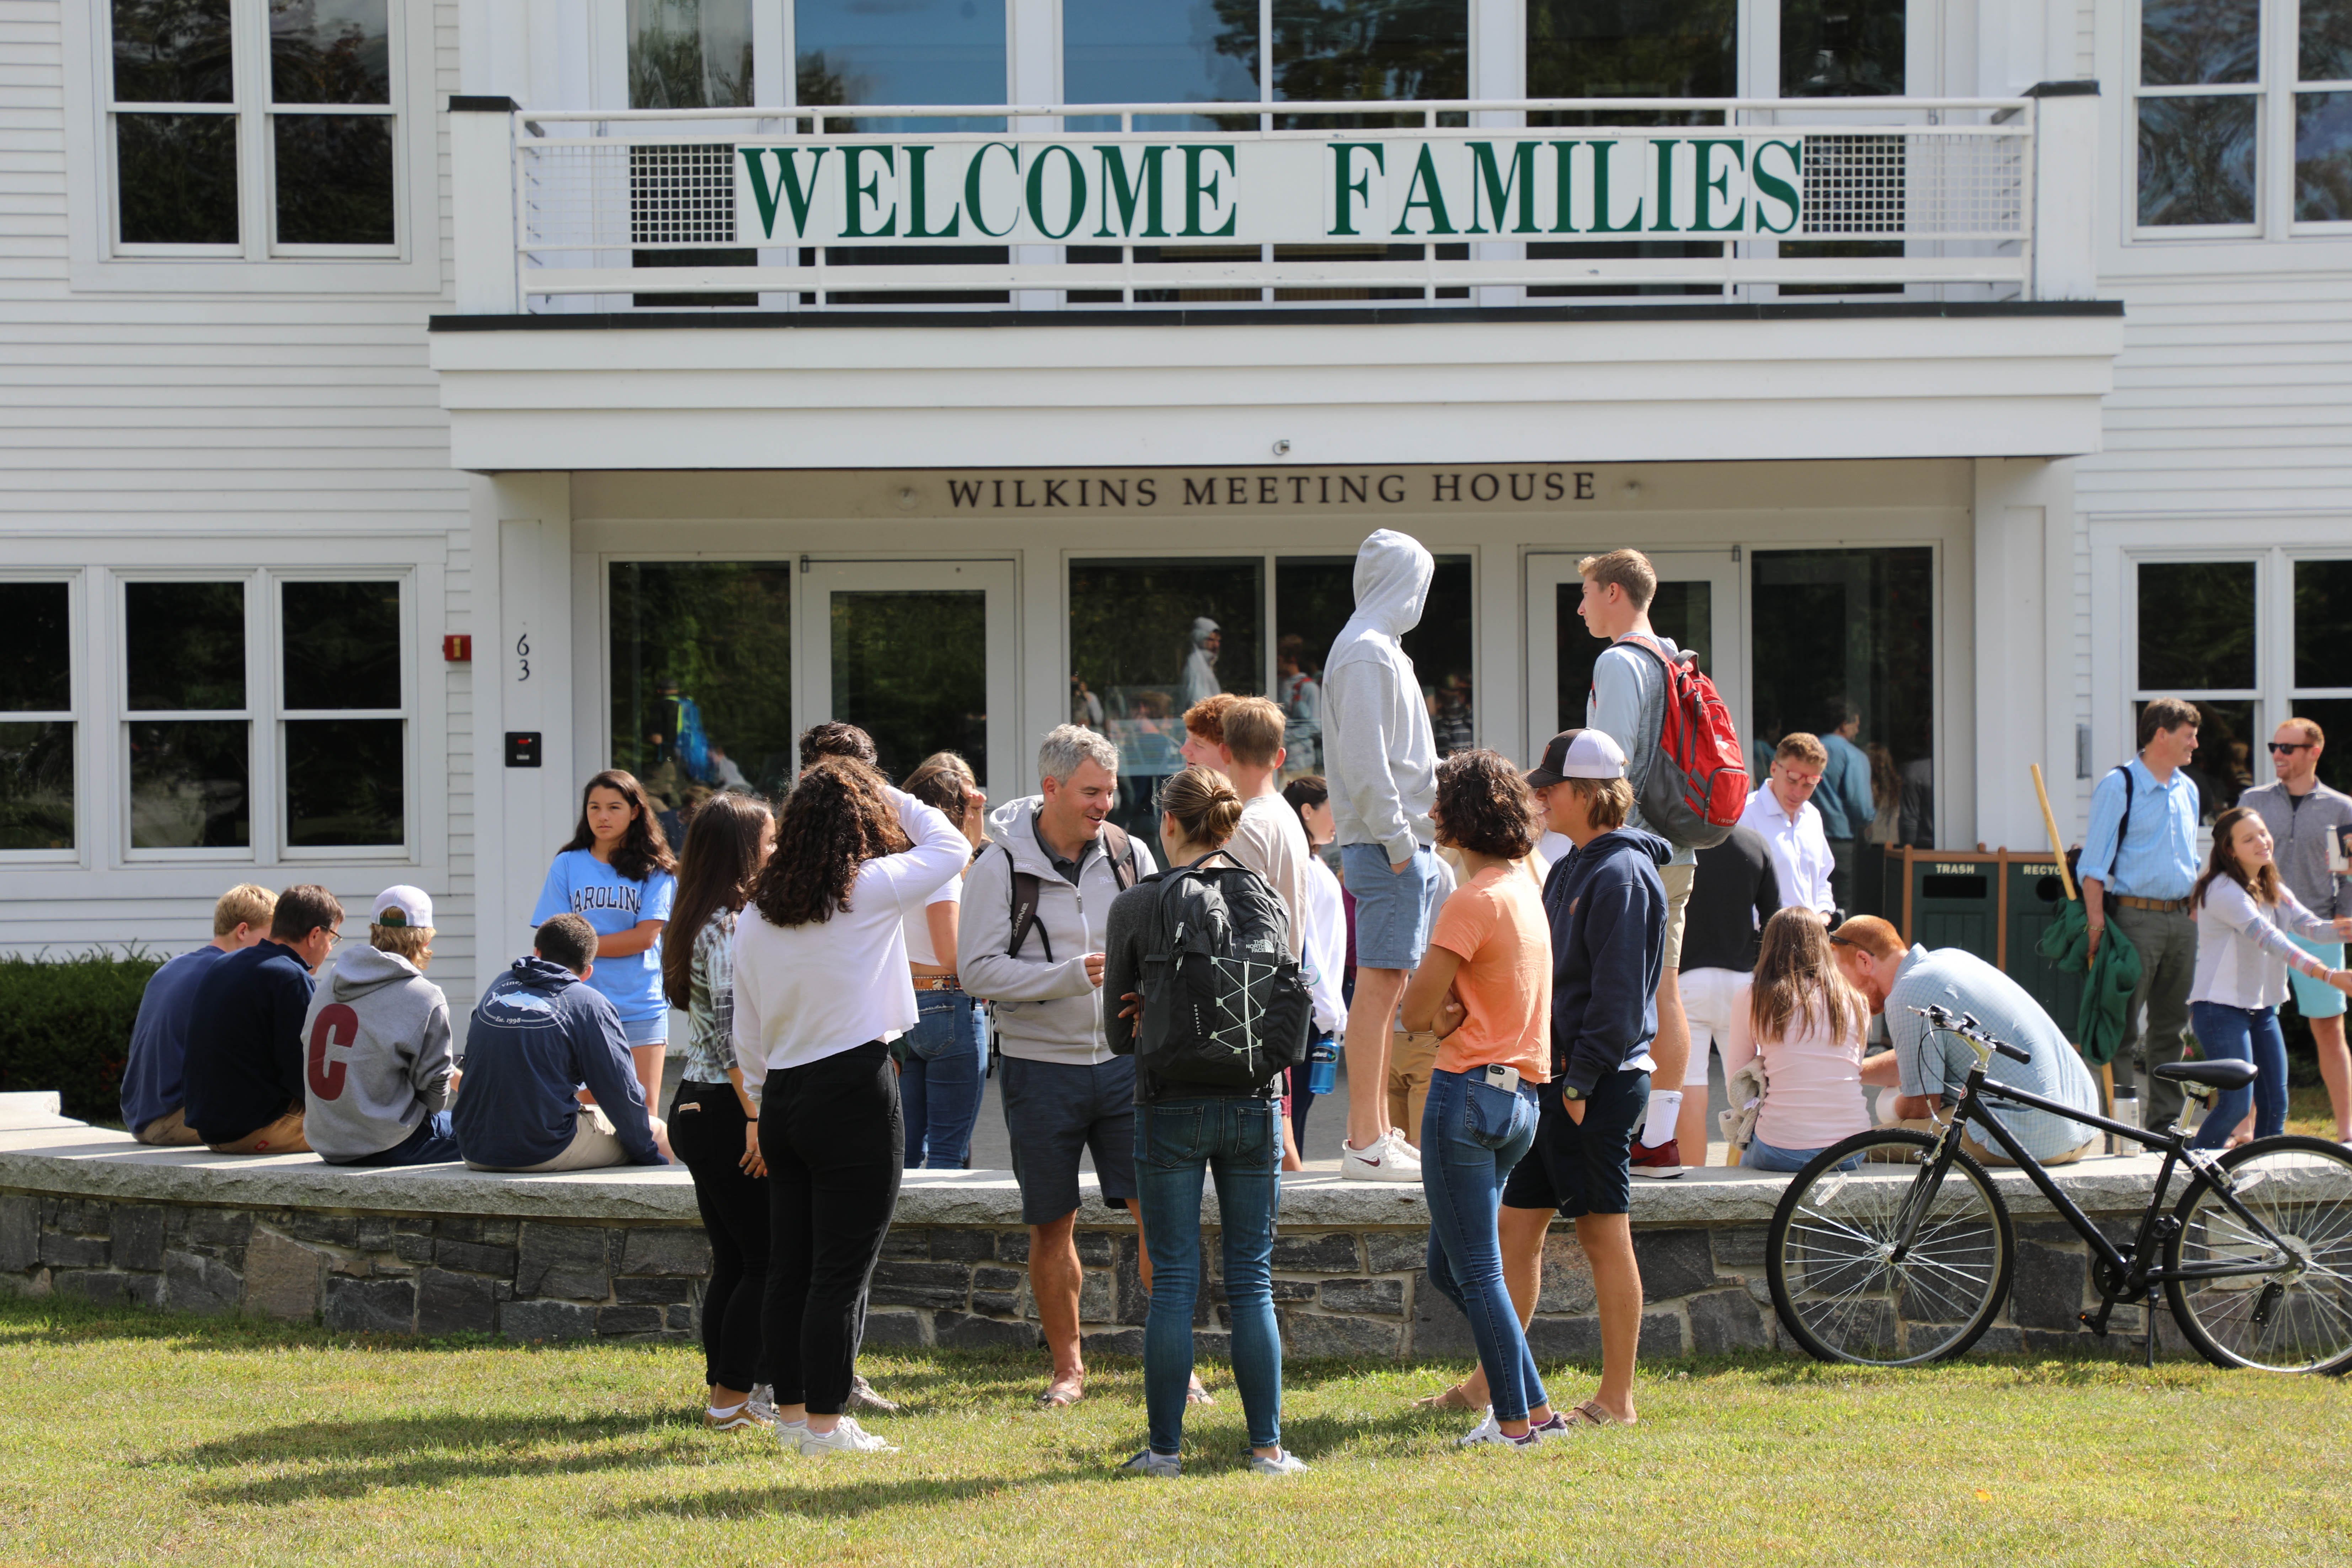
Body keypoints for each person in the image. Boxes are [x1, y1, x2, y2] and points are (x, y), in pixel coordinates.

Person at [732, 756, 967, 1456]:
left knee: (791, 1267)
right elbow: (951, 847)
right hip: (851, 1089)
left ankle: (798, 1417)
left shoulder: (755, 910)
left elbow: (746, 1028)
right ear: (861, 822)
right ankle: (827, 1427)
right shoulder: (866, 888)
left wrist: (755, 1097)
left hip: (782, 1097)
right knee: (838, 1271)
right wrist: (879, 787)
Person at [1103, 766, 1305, 1478]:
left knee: (1175, 1279)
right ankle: (1267, 1451)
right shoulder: (1267, 897)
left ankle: (1163, 1452)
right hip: (1254, 1099)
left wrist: (1144, 1007)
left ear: (1168, 824)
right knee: (1251, 1278)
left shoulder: (1138, 903)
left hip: (1167, 1104)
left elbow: (1116, 1038)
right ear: (1230, 825)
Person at [960, 725, 1166, 1409]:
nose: (1105, 803)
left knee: (1155, 1218)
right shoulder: (998, 865)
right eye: (1091, 792)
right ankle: (1068, 1371)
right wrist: (1069, 976)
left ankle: (1173, 1362)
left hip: (1123, 1066)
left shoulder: (1131, 853)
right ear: (1051, 789)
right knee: (1052, 1223)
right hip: (1038, 1067)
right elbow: (976, 971)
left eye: (1109, 790)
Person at [1485, 727, 1665, 1432]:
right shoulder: (1570, 866)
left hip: (1595, 1085)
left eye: (1549, 786)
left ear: (1588, 794)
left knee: (1602, 1235)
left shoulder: (1620, 873)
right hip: (1557, 1082)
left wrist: (1579, 1083)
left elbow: (1618, 999)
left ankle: (1617, 1400)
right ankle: (1487, 1383)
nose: (1538, 795)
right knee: (1514, 1232)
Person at [1400, 749, 1565, 1447]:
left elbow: (1413, 1011)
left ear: (1458, 818)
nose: (1432, 813)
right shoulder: (1525, 889)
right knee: (1454, 1267)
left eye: (1440, 802)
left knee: (1476, 1269)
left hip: (1466, 1097)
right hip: (1518, 1103)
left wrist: (1438, 1020)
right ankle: (1539, 1412)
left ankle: (1514, 1426)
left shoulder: (1471, 900)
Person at [1324, 529, 1447, 1182]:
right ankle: (1365, 1139)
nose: (1423, 595)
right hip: (1388, 844)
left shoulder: (1375, 648)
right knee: (1378, 992)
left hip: (1393, 841)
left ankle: (1371, 1134)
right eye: (1419, 581)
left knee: (1386, 990)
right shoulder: (1368, 652)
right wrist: (1402, 845)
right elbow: (1366, 763)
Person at [1573, 549, 1694, 1177]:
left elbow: (1606, 765)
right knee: (1665, 989)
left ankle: (1608, 1124)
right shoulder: (1675, 657)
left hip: (1629, 853)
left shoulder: (1618, 659)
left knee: (1613, 989)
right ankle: (1660, 1139)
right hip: (1678, 848)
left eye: (1588, 592)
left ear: (1615, 593)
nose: (1582, 605)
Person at [661, 790, 778, 1432]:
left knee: (735, 1259)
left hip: (697, 1105)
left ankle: (722, 1394)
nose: (777, 848)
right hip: (730, 1109)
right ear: (741, 851)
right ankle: (731, 1402)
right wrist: (758, 1116)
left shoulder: (694, 917)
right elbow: (738, 1037)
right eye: (768, 840)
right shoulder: (729, 927)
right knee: (763, 1259)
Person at [1834, 916, 2102, 1166]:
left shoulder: (1906, 994)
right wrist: (1849, 1071)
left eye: (1840, 976)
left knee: (1852, 1146)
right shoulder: (1950, 958)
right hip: (2081, 1127)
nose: (1842, 990)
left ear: (1864, 961)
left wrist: (1890, 1107)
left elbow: (1923, 1107)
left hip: (2031, 1136)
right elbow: (1916, 1058)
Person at [1182, 696, 1314, 1169]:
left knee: (1265, 1145)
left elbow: (1230, 924)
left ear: (1226, 751)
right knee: (1280, 1132)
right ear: (1280, 757)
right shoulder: (1284, 815)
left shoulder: (1244, 826)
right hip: (1281, 989)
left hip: (1250, 1001)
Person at [2182, 805, 2352, 1147]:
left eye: (2263, 833)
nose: (2263, 841)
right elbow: (2272, 940)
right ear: (2230, 851)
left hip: (2262, 1010)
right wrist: (2330, 976)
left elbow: (2314, 929)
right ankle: (2194, 1179)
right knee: (2236, 1105)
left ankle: (2262, 1184)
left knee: (2276, 1105)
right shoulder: (2222, 891)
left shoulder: (2270, 885)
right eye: (2249, 838)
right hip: (2219, 1011)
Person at [456, 914, 670, 1173]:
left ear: (537, 952)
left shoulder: (500, 986)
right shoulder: (588, 1002)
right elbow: (620, 1093)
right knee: (658, 1130)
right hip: (541, 1150)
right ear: (588, 971)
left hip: (473, 1146)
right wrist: (650, 1157)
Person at [2080, 697, 2204, 1131]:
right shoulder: (2120, 785)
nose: (2195, 744)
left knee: (2171, 1030)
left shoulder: (2188, 789)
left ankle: (2163, 1126)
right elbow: (2093, 867)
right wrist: (2096, 925)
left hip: (2182, 922)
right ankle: (2120, 1125)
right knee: (2121, 1027)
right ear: (2160, 735)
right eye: (2188, 736)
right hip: (2134, 922)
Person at [530, 769, 678, 1116]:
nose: (602, 816)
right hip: (578, 1006)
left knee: (644, 1112)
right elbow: (552, 938)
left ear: (635, 812)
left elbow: (645, 938)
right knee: (578, 1107)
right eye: (594, 807)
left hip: (640, 1004)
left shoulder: (657, 869)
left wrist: (577, 945)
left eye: (614, 807)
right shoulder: (567, 864)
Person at [2239, 718, 2352, 1143]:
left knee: (2328, 1028)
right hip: (2260, 928)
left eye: (2288, 748)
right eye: (2274, 746)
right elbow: (2233, 860)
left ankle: (2346, 1133)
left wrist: (2342, 922)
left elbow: (2350, 876)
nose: (2278, 755)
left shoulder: (2341, 808)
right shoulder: (2253, 800)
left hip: (2318, 928)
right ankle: (2244, 1129)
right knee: (2249, 1024)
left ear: (2313, 752)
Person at [300, 887, 460, 1167]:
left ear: (375, 930)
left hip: (327, 1142)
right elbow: (436, 1098)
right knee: (494, 1130)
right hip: (386, 1143)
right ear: (425, 939)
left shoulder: (329, 983)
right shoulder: (425, 996)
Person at [182, 884, 343, 1155]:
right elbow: (302, 1077)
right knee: (364, 1132)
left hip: (208, 1128)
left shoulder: (224, 964)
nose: (331, 948)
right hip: (253, 1129)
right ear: (315, 935)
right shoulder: (291, 977)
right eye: (334, 937)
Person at [119, 884, 275, 1146]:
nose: (274, 950)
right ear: (243, 931)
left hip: (139, 1116)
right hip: (176, 1119)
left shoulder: (174, 966)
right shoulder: (226, 976)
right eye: (270, 939)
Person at [1719, 910, 1872, 1171]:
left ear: (1769, 946)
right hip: (1852, 1149)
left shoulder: (1752, 997)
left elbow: (1738, 1087)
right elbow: (1851, 1065)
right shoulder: (1857, 1000)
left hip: (1781, 1149)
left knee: (1740, 1158)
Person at [897, 751, 991, 1170]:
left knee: (907, 1148)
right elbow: (949, 951)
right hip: (949, 1003)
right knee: (948, 1153)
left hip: (908, 1007)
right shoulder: (943, 869)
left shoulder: (899, 862)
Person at [1672, 824, 1782, 1160]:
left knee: (1689, 1088)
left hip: (1686, 979)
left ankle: (1693, 1183)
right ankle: (1743, 1169)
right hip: (1742, 982)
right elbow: (1773, 918)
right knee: (1752, 1088)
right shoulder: (1755, 842)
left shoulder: (1678, 838)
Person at [1282, 774, 1347, 1154]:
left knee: (1298, 1117)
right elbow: (1307, 947)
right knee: (1293, 1121)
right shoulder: (1302, 867)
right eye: (1332, 809)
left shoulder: (1312, 863)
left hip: (1317, 1009)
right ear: (1307, 811)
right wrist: (1328, 1011)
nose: (1338, 819)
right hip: (1308, 1010)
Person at [1739, 733, 1837, 920]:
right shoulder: (1746, 815)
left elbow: (1822, 878)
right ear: (1774, 769)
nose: (1798, 792)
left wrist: (1824, 913)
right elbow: (1736, 890)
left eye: (1810, 783)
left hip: (1811, 937)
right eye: (1792, 780)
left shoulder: (1813, 817)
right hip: (1763, 941)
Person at [1816, 699, 1876, 913]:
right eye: (1856, 724)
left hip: (1800, 836)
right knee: (1840, 905)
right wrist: (1870, 820)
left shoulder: (1805, 752)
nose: (1858, 730)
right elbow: (1861, 807)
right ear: (1844, 724)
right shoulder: (1854, 756)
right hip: (1840, 844)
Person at [1276, 635, 1321, 772]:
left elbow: (1315, 726)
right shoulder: (1277, 684)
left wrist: (1286, 738)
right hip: (1278, 762)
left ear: (1291, 659)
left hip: (1300, 763)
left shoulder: (1309, 688)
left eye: (1279, 658)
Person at [1180, 617, 1222, 711]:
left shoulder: (1206, 665)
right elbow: (1198, 705)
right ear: (1198, 638)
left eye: (1218, 641)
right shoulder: (1195, 665)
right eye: (1211, 640)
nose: (1216, 645)